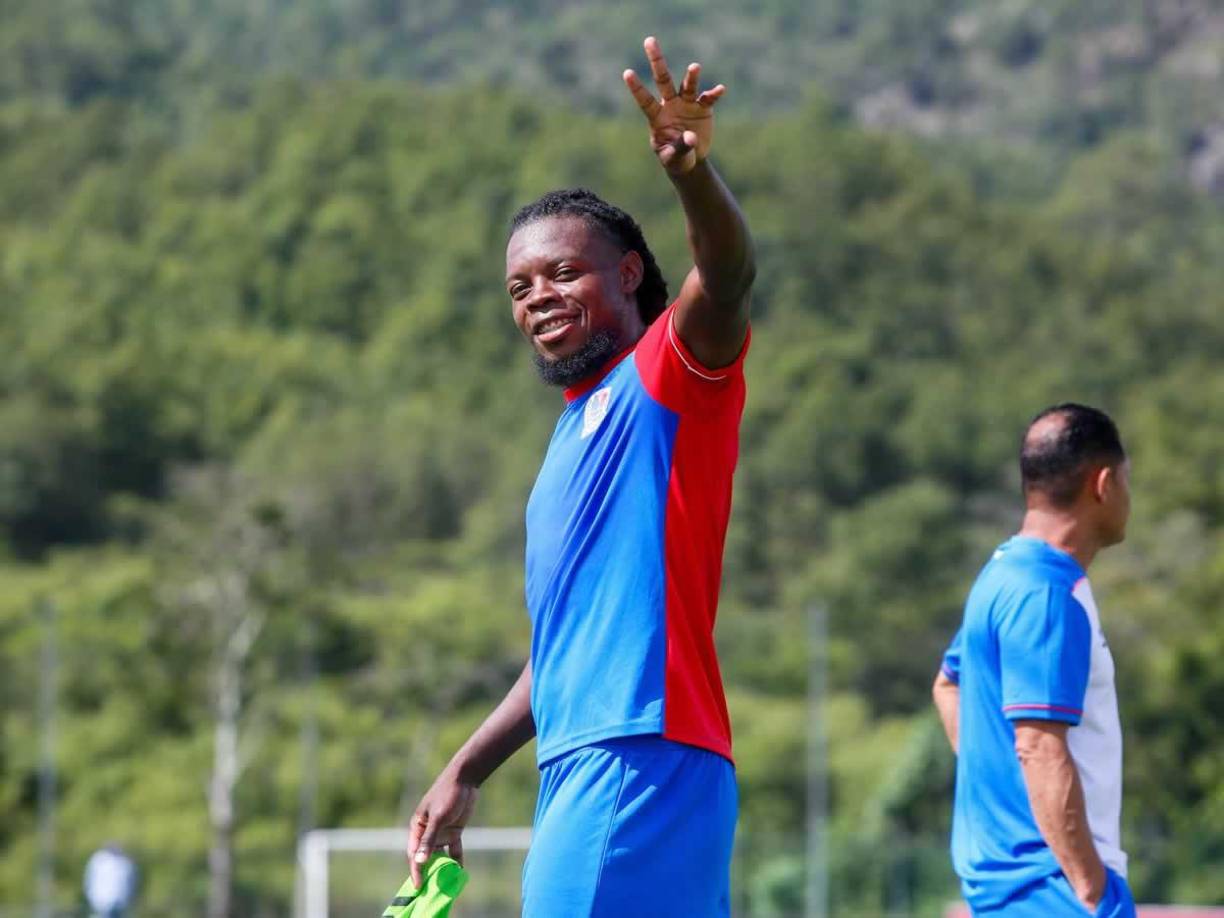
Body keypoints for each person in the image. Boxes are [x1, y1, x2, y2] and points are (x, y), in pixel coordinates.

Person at [404, 35, 754, 917]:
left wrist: (689, 175)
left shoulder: (665, 375)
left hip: (634, 756)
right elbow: (556, 659)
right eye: (520, 288)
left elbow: (729, 275)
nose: (539, 299)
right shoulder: (568, 441)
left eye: (564, 273)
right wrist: (464, 769)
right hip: (608, 756)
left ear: (629, 275)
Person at [932, 404, 1136, 917]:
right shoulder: (1046, 594)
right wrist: (1090, 888)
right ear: (1104, 483)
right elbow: (1039, 749)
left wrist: (1000, 786)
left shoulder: (1003, 575)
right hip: (1054, 890)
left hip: (1019, 889)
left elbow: (947, 685)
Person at [83, 844, 137, 918]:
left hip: (118, 901)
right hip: (101, 901)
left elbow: (130, 883)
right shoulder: (98, 861)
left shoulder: (125, 862)